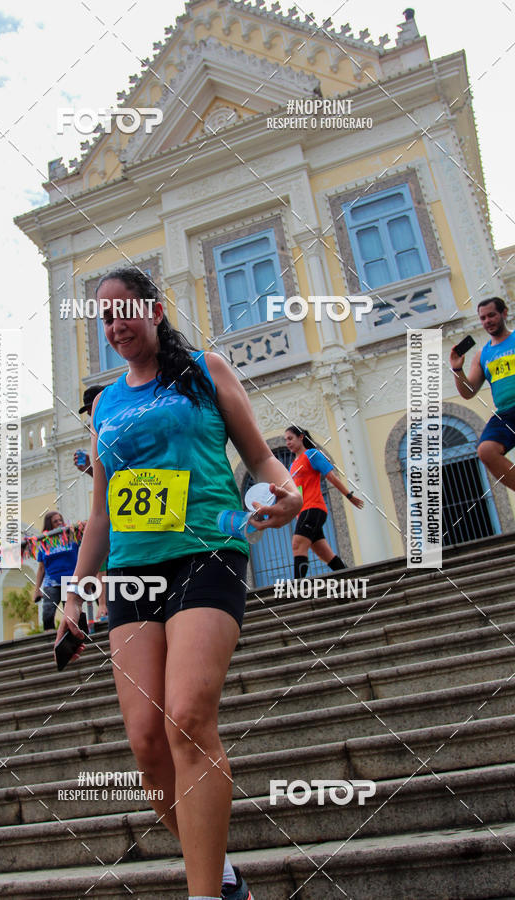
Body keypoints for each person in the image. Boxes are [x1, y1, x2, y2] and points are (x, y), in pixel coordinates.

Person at [55, 267, 302, 900]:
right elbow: (104, 511)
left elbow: (259, 455)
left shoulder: (205, 370)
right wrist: (75, 591)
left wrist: (288, 488)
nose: (115, 325)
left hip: (207, 554)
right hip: (131, 572)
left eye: (124, 311)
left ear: (156, 309)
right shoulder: (106, 404)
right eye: (103, 319)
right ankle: (222, 878)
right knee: (146, 743)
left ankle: (201, 896)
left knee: (187, 719)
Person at [450, 297, 515, 492]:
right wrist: (457, 370)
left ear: (504, 313)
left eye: (492, 315)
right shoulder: (482, 354)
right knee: (486, 450)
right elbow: (468, 393)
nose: (487, 321)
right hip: (505, 413)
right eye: (483, 318)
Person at [284, 425, 364, 577]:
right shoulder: (292, 466)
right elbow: (297, 492)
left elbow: (332, 477)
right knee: (325, 554)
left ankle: (298, 591)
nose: (288, 442)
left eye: (290, 438)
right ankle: (350, 579)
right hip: (303, 512)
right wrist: (296, 513)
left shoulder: (312, 454)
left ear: (301, 437)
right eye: (285, 440)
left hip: (314, 508)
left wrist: (349, 496)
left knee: (297, 544)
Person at [74, 384, 108, 621]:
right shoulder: (97, 430)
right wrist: (89, 468)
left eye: (92, 406)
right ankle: (104, 605)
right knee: (102, 561)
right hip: (112, 510)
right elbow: (108, 479)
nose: (91, 414)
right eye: (88, 410)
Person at [33, 511, 79, 630]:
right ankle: (51, 640)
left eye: (60, 520)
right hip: (51, 583)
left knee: (70, 613)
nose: (59, 523)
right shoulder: (45, 542)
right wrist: (37, 590)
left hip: (70, 581)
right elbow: (41, 568)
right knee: (47, 614)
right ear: (49, 525)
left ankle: (73, 638)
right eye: (55, 521)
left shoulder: (71, 537)